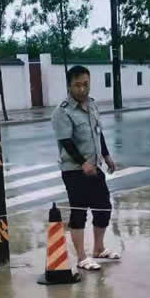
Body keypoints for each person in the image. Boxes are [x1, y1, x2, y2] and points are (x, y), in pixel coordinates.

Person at [51, 65, 120, 271]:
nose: (82, 89)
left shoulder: (92, 105)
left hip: (95, 167)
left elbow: (98, 133)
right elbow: (66, 142)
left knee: (103, 208)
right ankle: (82, 257)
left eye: (85, 84)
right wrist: (83, 163)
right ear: (69, 86)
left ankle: (99, 248)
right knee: (79, 212)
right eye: (77, 85)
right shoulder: (62, 111)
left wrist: (106, 156)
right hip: (74, 170)